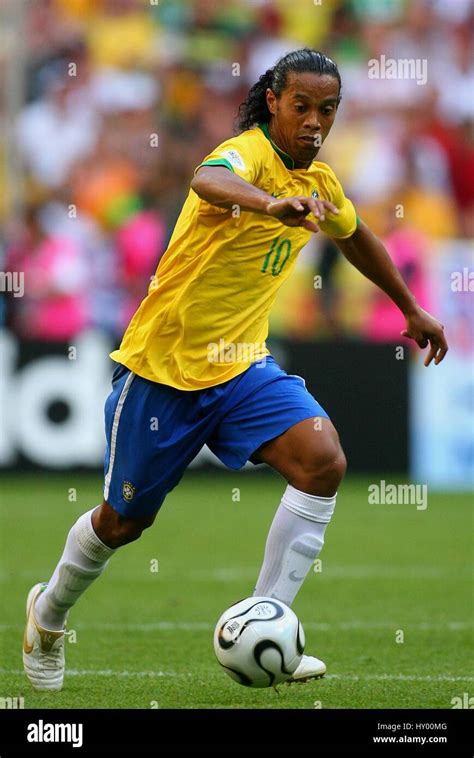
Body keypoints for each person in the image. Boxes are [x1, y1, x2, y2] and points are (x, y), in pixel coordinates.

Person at [23, 49, 448, 691]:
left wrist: (410, 307)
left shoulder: (322, 184)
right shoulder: (245, 155)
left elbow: (356, 235)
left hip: (242, 366)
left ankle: (266, 618)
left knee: (323, 461)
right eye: (301, 106)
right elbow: (206, 180)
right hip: (164, 366)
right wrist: (265, 205)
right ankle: (49, 613)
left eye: (326, 110)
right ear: (273, 100)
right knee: (124, 523)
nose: (313, 122)